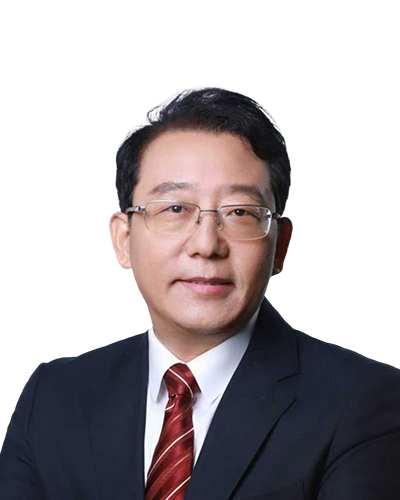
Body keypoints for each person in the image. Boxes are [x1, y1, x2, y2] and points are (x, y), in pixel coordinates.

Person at [0, 90, 399, 500]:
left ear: (279, 247)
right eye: (175, 209)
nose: (206, 245)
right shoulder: (54, 398)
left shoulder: (363, 404)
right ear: (124, 239)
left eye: (240, 212)